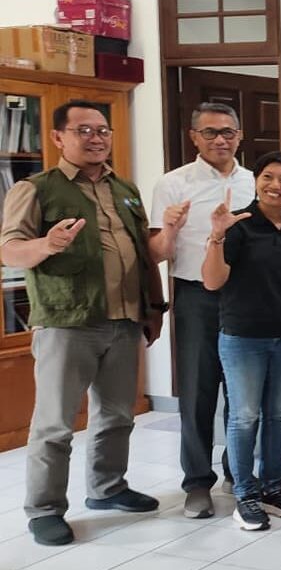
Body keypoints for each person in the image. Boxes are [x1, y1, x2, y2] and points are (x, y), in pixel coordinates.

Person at [2, 100, 166, 546]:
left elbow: (142, 254)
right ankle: (44, 509)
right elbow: (10, 250)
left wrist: (154, 307)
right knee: (55, 425)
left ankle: (108, 488)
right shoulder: (36, 189)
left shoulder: (124, 189)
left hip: (124, 320)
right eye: (84, 130)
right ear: (59, 137)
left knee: (117, 415)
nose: (97, 138)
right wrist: (47, 244)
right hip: (67, 322)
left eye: (103, 130)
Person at [148, 102, 255, 518]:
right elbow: (156, 253)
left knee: (242, 392)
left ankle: (237, 471)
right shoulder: (173, 184)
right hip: (196, 297)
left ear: (239, 136)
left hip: (244, 297)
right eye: (210, 132)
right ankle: (196, 482)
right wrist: (170, 227)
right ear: (194, 137)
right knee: (197, 391)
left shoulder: (253, 181)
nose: (220, 139)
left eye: (228, 131)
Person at [202, 151, 281, 531]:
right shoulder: (238, 225)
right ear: (257, 181)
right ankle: (245, 494)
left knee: (279, 415)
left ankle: (272, 488)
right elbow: (212, 281)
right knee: (244, 416)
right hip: (243, 338)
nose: (275, 185)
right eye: (268, 176)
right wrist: (217, 236)